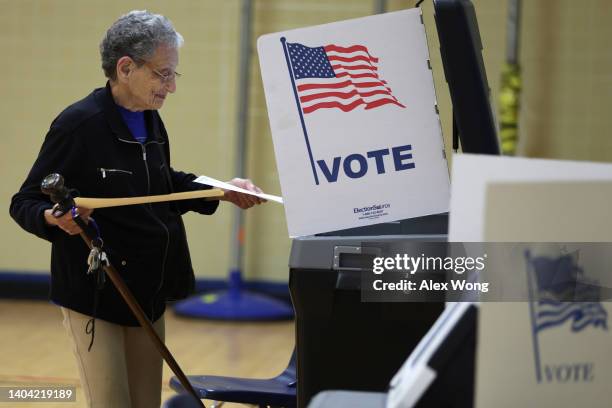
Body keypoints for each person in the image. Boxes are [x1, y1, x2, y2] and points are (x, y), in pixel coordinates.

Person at [9, 10, 265, 408]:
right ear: (125, 67)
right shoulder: (79, 125)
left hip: (146, 289)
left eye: (173, 75)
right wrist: (51, 218)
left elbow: (163, 184)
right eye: (163, 74)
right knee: (112, 402)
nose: (171, 87)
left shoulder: (150, 120)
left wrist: (220, 190)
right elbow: (24, 201)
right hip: (95, 294)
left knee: (146, 403)